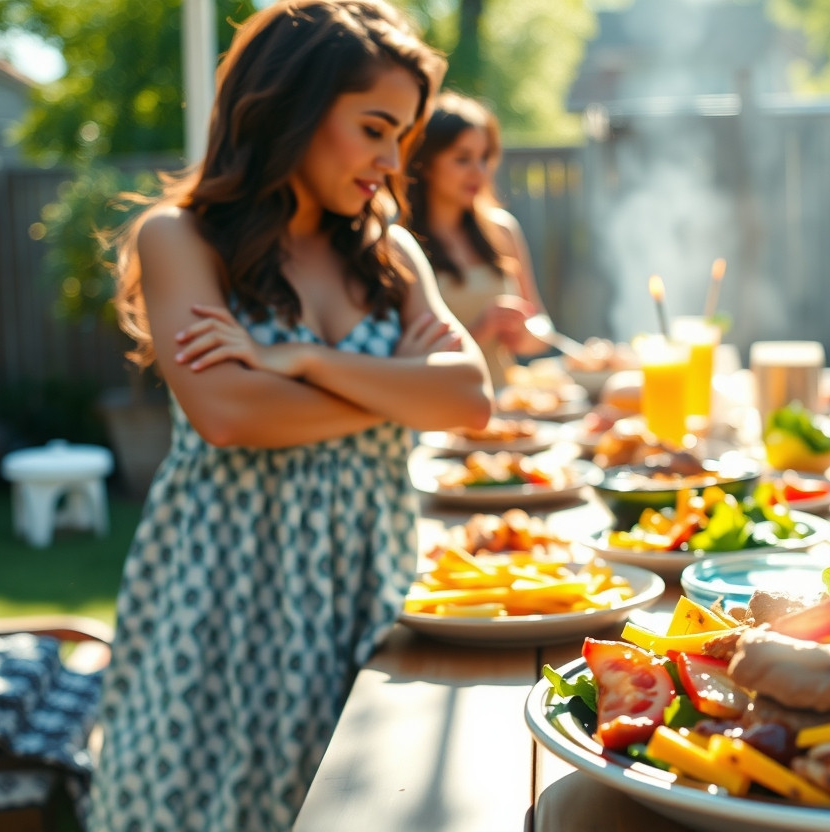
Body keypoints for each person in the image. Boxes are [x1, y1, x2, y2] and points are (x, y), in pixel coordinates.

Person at [90, 3, 493, 829]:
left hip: (370, 579)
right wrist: (392, 385)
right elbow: (231, 412)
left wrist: (304, 361)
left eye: (403, 136)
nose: (391, 161)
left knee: (370, 807)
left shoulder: (390, 252)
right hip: (228, 594)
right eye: (374, 128)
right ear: (292, 107)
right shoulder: (182, 239)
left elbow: (470, 400)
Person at [406, 91, 550, 386]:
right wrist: (480, 330)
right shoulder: (401, 242)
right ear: (425, 162)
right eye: (463, 159)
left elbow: (543, 326)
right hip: (439, 412)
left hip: (505, 408)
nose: (479, 172)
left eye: (485, 158)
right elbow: (404, 365)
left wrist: (524, 334)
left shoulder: (502, 230)